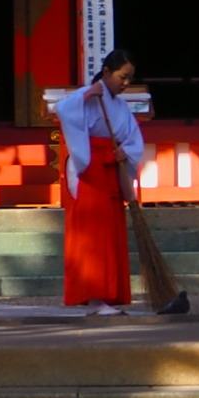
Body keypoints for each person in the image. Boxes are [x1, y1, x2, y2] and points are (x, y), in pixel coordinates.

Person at [55, 49, 144, 315]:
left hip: (111, 169)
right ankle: (94, 298)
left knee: (111, 232)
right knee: (94, 233)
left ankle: (108, 296)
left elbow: (133, 138)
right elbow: (62, 109)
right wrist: (84, 96)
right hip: (91, 170)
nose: (125, 83)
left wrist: (124, 152)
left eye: (129, 78)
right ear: (106, 72)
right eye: (122, 76)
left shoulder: (120, 106)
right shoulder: (89, 95)